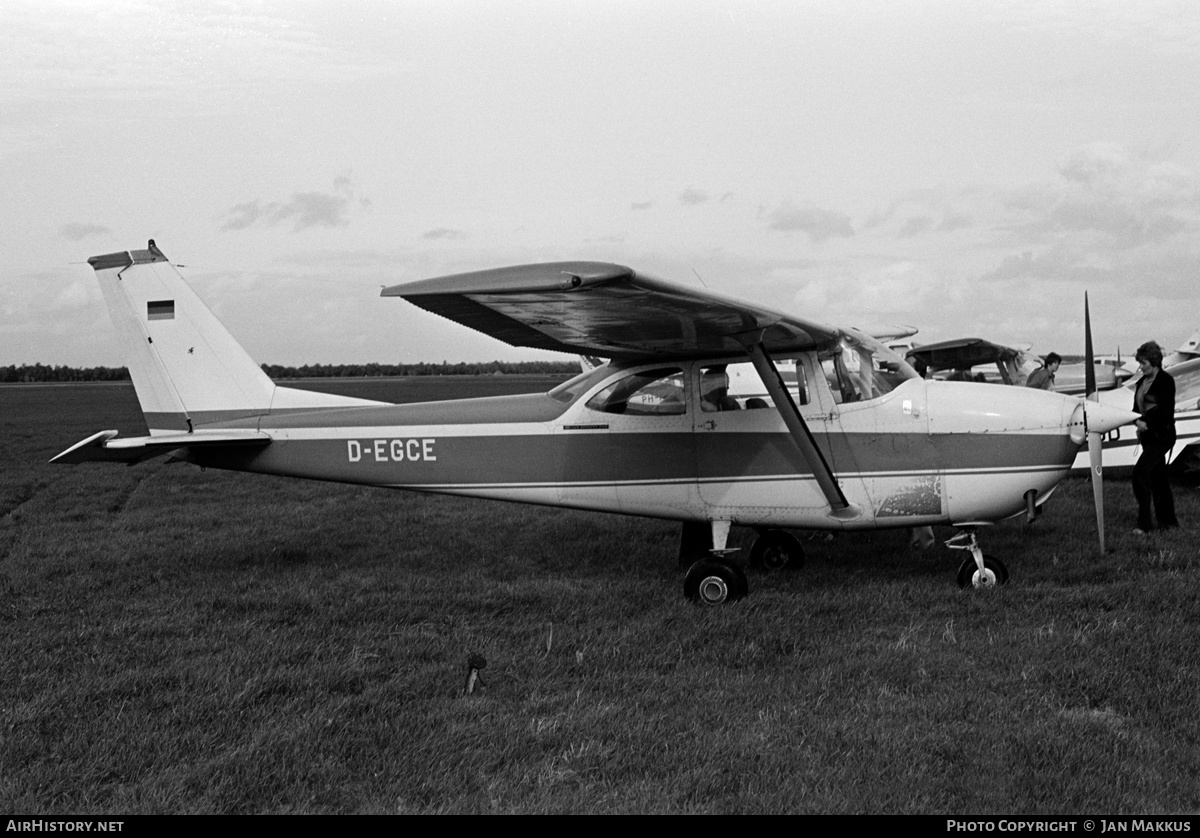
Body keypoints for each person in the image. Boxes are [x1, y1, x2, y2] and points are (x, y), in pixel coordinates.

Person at [1131, 340, 1178, 533]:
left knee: (1140, 473)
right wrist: (1137, 421)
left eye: (1143, 363)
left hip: (1161, 437)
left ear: (1154, 361)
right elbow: (1137, 410)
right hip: (1149, 438)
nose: (1140, 367)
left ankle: (1144, 524)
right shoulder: (1141, 383)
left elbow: (1164, 412)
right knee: (1158, 477)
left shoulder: (1165, 381)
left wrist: (1145, 424)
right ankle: (1168, 523)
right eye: (1140, 363)